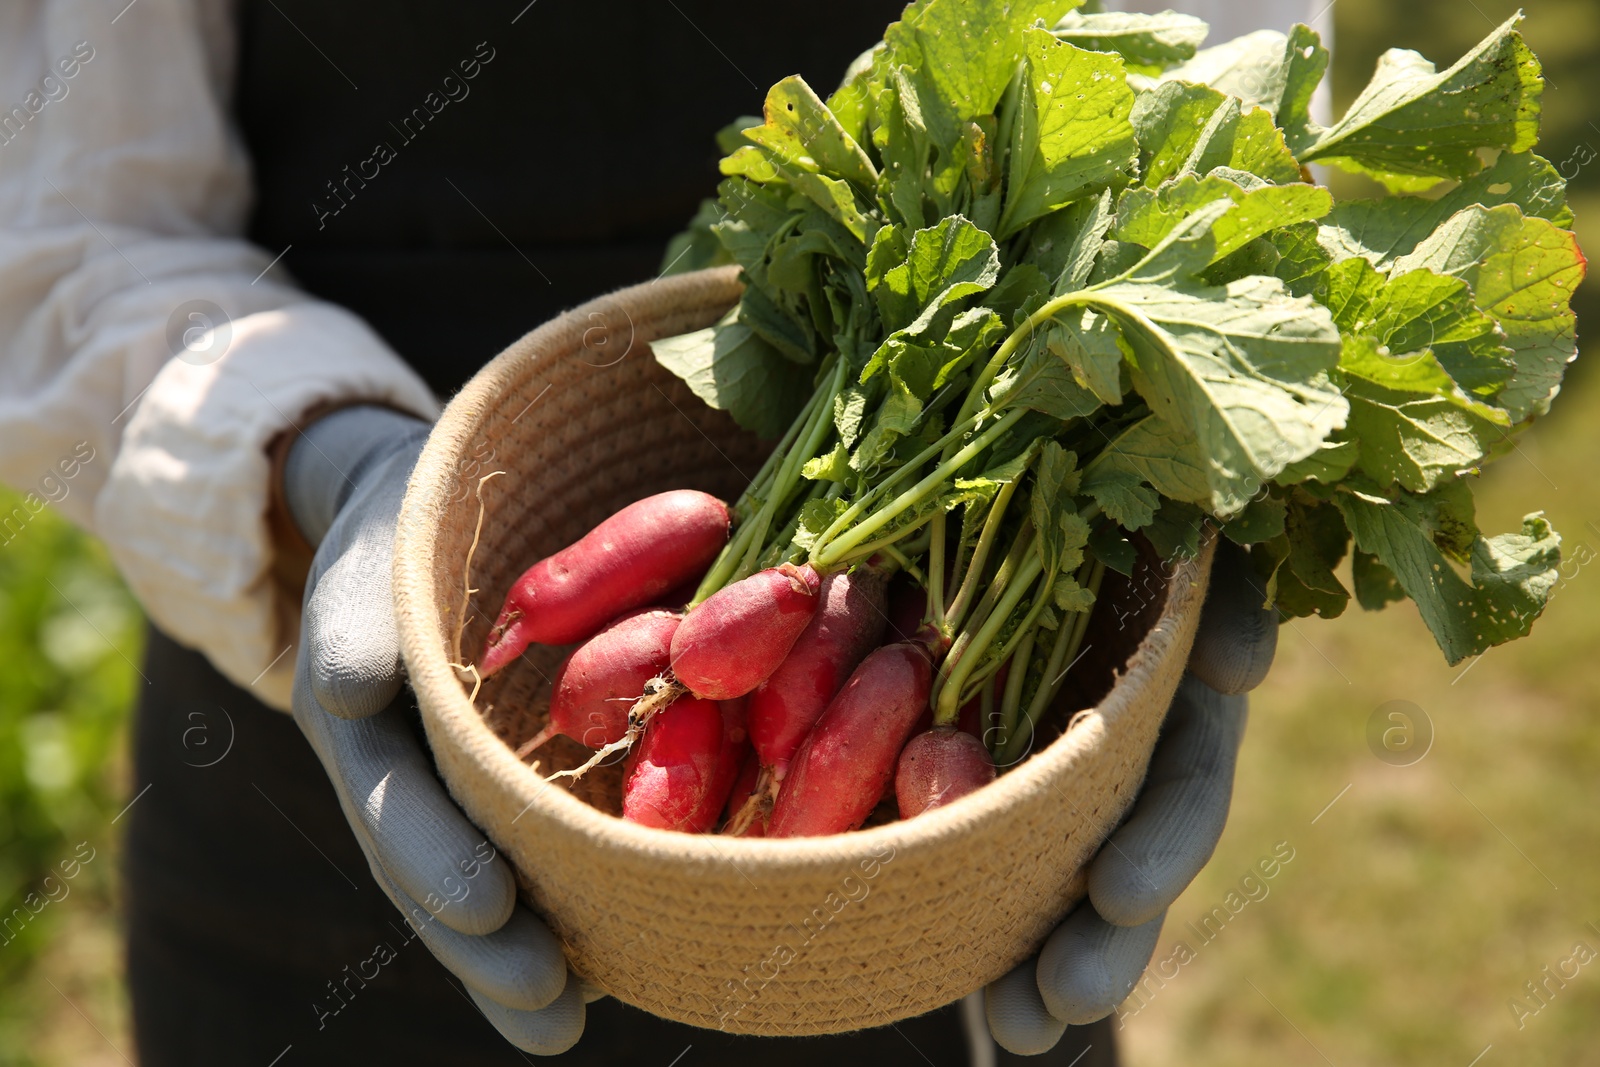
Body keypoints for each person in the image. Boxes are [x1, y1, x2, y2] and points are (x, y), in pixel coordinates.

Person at [0, 0, 1324, 1062]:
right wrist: (316, 458)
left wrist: (1183, 514)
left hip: (929, 897)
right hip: (319, 770)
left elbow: (1193, 99)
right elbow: (71, 231)